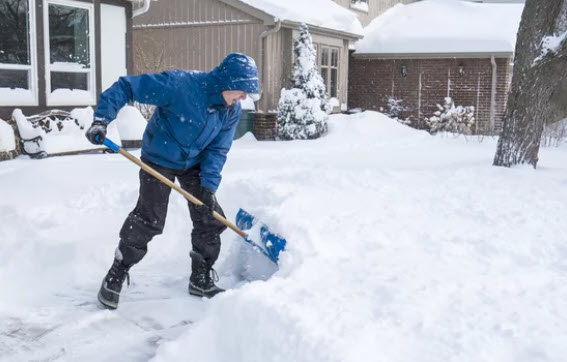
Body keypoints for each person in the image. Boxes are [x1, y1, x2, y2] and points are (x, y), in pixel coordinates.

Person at [85, 53, 260, 309]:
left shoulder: (230, 111)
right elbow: (127, 86)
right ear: (227, 81)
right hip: (159, 157)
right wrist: (101, 120)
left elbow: (218, 150)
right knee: (149, 219)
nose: (244, 97)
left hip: (195, 163)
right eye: (243, 90)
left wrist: (208, 189)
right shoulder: (180, 85)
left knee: (210, 217)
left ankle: (200, 278)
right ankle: (116, 273)